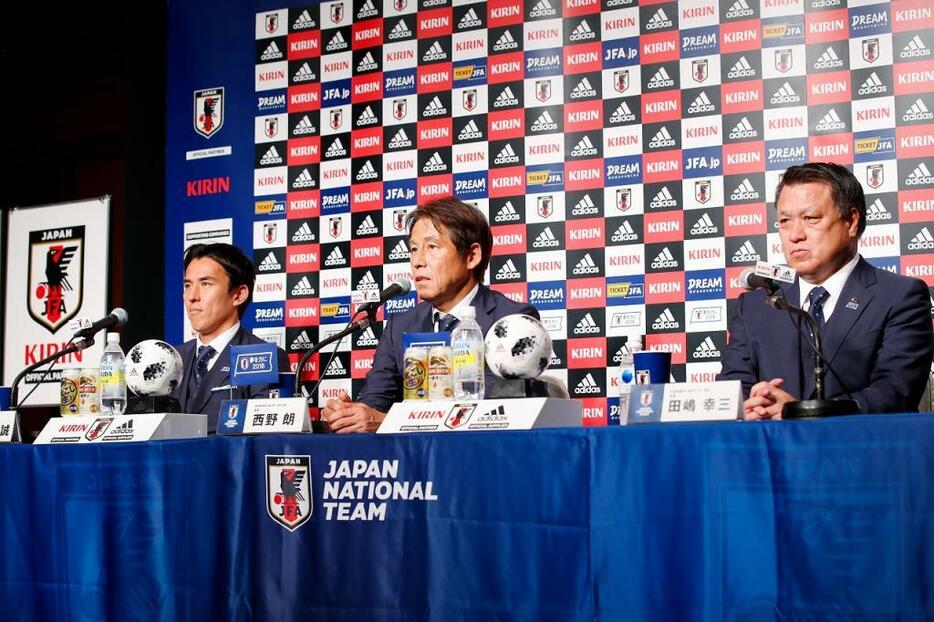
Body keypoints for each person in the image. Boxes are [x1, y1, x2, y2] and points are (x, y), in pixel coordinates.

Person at [718, 162, 933, 419]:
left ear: (851, 222)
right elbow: (731, 390)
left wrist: (800, 413)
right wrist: (750, 406)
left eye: (810, 219)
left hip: (856, 453)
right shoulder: (755, 305)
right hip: (770, 454)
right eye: (785, 221)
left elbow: (893, 393)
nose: (795, 235)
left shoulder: (900, 296)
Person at [323, 196, 540, 433]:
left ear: (472, 256)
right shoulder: (400, 326)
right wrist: (350, 415)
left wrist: (388, 421)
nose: (417, 261)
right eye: (413, 249)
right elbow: (375, 403)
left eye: (432, 247)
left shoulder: (513, 321)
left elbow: (492, 408)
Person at [172, 243, 290, 432]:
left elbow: (267, 442)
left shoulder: (265, 358)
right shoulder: (172, 358)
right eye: (187, 285)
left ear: (239, 294)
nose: (192, 296)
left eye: (205, 284)